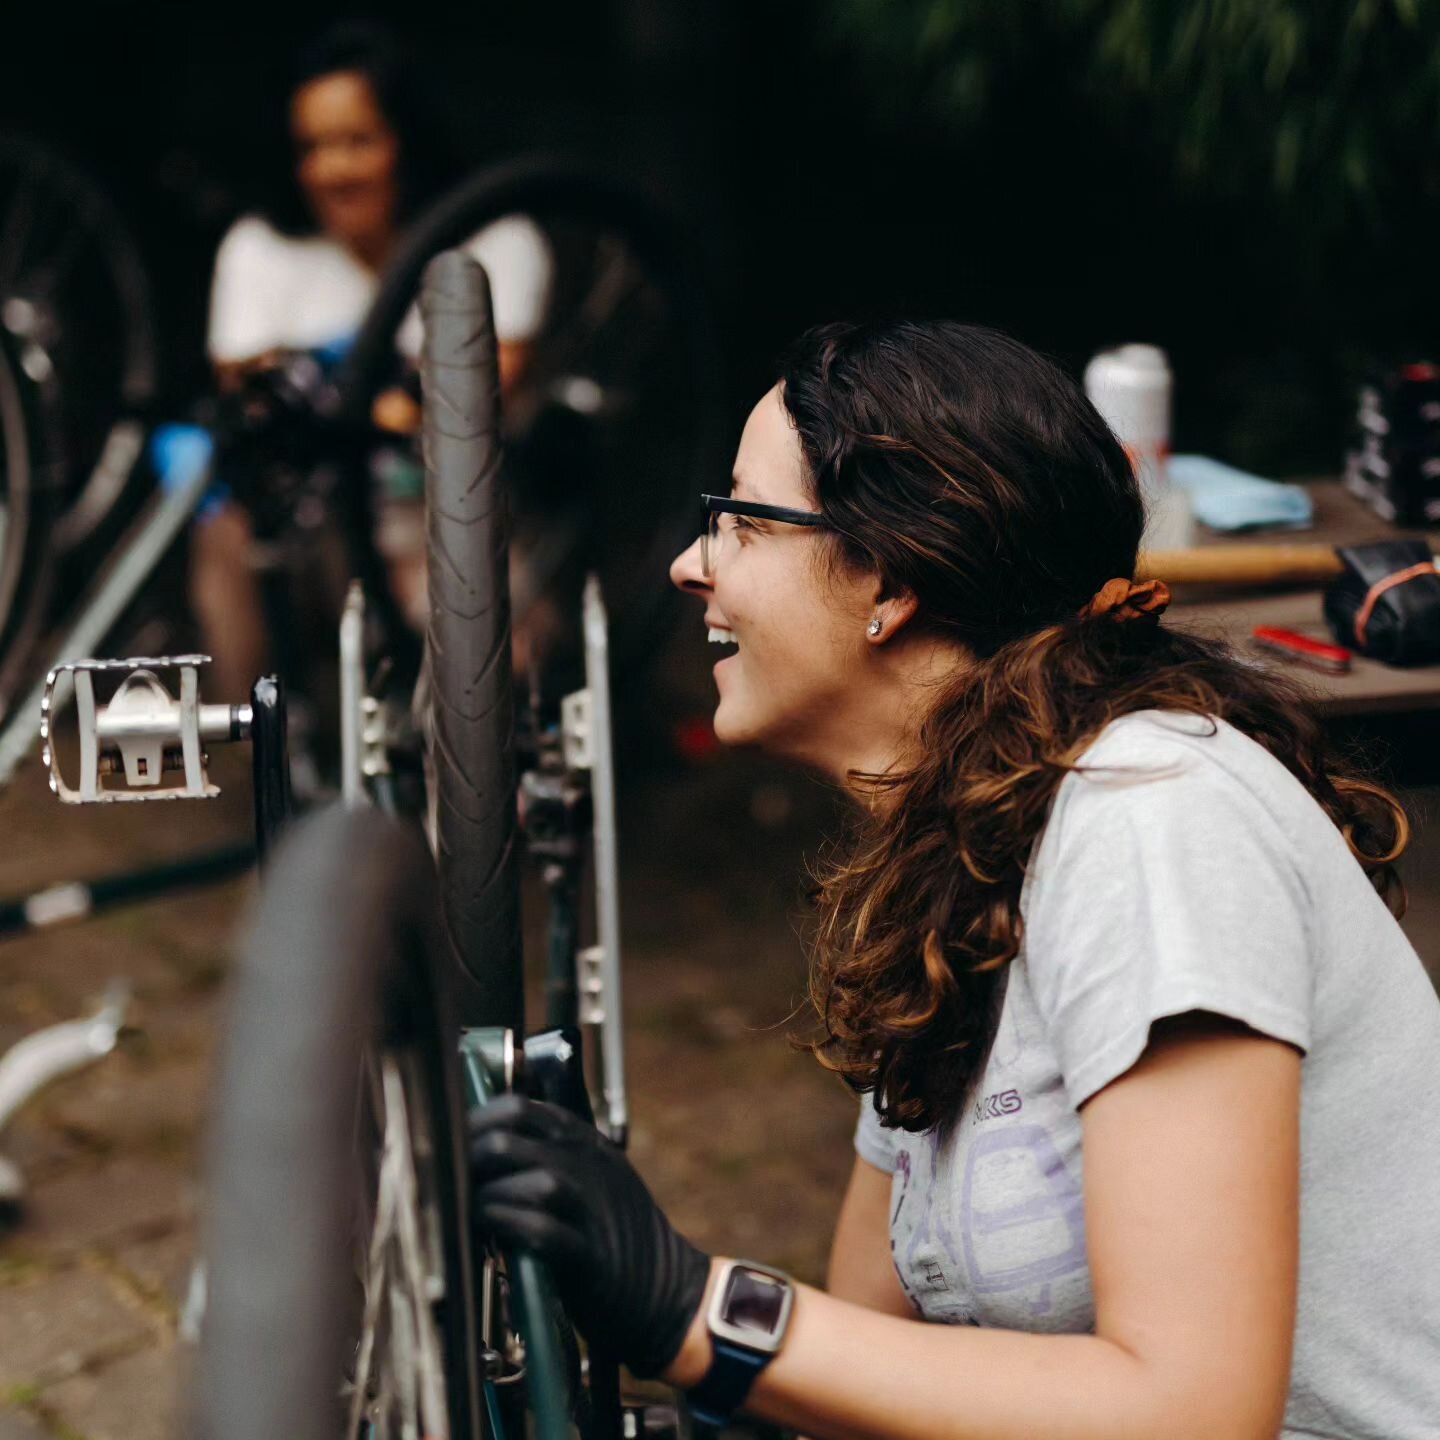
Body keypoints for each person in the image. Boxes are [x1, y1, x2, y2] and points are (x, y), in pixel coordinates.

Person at [469, 320, 1440, 1438]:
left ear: (885, 576)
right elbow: (870, 1360)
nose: (693, 565)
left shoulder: (1153, 820)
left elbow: (1194, 1412)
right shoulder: (960, 877)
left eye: (739, 518)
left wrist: (698, 1313)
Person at [192, 21, 551, 697]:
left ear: (407, 141)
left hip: (442, 515)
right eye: (313, 147)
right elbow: (249, 395)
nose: (333, 171)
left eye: (358, 141)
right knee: (228, 534)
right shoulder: (260, 248)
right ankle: (266, 751)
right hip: (307, 528)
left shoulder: (498, 239)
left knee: (496, 634)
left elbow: (495, 381)